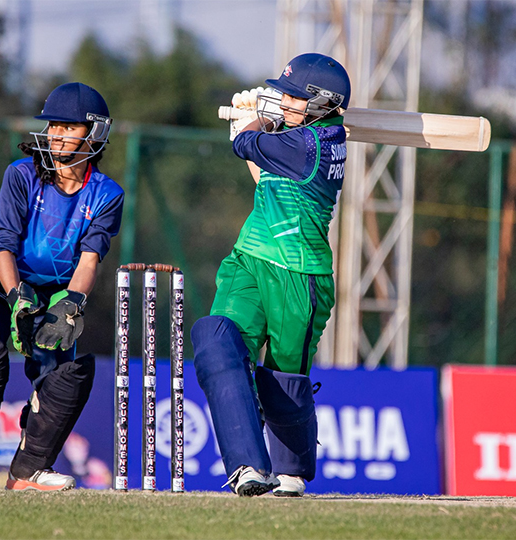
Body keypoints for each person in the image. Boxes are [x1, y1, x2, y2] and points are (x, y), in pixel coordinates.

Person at [0, 82, 124, 490]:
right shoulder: (22, 174)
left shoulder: (107, 194)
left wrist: (72, 304)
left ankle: (28, 471)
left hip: (55, 290)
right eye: (53, 125)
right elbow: (5, 245)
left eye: (67, 127)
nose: (56, 134)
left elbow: (90, 259)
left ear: (93, 133)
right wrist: (16, 299)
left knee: (66, 376)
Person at [192, 53, 350, 497]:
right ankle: (247, 466)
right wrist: (259, 123)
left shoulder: (313, 145)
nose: (283, 102)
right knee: (216, 340)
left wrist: (248, 122)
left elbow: (246, 144)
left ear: (321, 104)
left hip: (299, 276)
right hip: (249, 258)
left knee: (283, 380)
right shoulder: (305, 138)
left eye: (294, 97)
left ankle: (291, 469)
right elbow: (266, 178)